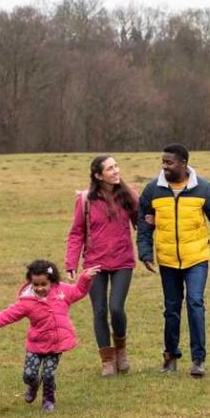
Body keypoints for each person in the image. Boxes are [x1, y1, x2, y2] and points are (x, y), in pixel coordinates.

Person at [136, 143, 210, 377]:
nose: (164, 166)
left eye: (169, 162)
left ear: (183, 164)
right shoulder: (152, 190)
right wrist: (145, 253)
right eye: (163, 162)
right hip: (167, 260)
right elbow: (144, 226)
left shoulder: (202, 189)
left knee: (195, 303)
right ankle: (170, 356)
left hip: (196, 258)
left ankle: (198, 360)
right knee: (172, 309)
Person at [0, 261, 96, 412]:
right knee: (28, 375)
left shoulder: (62, 291)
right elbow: (8, 315)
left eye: (43, 284)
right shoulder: (26, 301)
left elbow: (79, 290)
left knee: (48, 375)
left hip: (56, 345)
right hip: (36, 345)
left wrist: (85, 277)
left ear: (51, 281)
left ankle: (48, 400)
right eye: (35, 285)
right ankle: (33, 385)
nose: (39, 288)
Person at [66, 154, 139, 377]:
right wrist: (71, 262)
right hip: (94, 263)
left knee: (116, 308)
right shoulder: (86, 200)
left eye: (116, 166)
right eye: (110, 168)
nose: (116, 171)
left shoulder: (129, 195)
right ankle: (107, 360)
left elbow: (143, 224)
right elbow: (77, 232)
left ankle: (121, 352)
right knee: (99, 310)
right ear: (99, 175)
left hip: (122, 261)